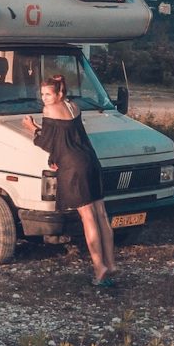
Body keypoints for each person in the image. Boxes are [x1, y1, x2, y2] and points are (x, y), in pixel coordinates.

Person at [21, 74, 116, 286]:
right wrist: (54, 156)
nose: (44, 98)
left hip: (74, 166)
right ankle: (111, 263)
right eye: (42, 94)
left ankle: (99, 267)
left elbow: (47, 141)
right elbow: (68, 138)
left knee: (88, 217)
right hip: (90, 160)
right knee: (101, 214)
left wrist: (32, 128)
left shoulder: (50, 110)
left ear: (59, 93)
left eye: (48, 94)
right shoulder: (74, 107)